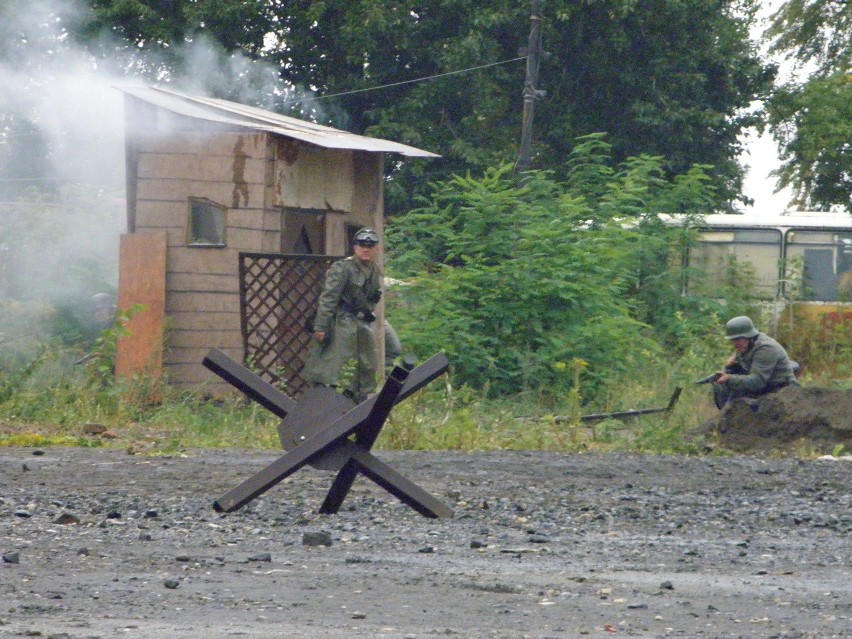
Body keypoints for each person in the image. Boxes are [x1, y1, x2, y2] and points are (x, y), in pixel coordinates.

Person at [302, 227, 383, 401]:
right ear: (355, 247)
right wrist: (321, 325)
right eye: (362, 245)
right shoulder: (343, 267)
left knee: (366, 364)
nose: (365, 249)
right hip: (342, 323)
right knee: (338, 366)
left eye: (370, 245)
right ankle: (335, 401)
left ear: (376, 248)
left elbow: (372, 298)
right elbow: (328, 297)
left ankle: (358, 401)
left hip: (361, 324)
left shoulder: (374, 270)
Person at [711, 315, 798, 409]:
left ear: (748, 336)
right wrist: (729, 368)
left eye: (737, 339)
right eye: (732, 340)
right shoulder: (745, 346)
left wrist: (729, 378)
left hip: (782, 391)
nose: (735, 344)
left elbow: (757, 381)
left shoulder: (766, 348)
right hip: (765, 390)